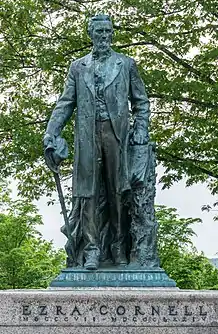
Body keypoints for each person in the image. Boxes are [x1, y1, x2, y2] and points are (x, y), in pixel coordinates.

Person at [44, 14, 150, 270]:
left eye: (107, 31)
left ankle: (118, 245)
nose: (104, 35)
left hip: (116, 135)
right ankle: (91, 249)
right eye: (99, 31)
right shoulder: (77, 67)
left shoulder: (125, 64)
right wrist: (51, 131)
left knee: (118, 191)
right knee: (87, 193)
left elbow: (141, 102)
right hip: (87, 135)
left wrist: (141, 129)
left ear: (112, 33)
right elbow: (65, 102)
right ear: (90, 34)